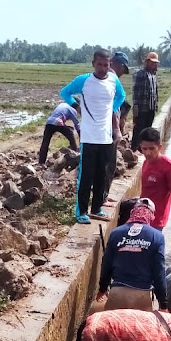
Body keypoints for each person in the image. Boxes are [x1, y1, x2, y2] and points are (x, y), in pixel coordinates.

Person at [60, 49, 125, 224]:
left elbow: (121, 96)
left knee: (101, 175)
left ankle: (97, 208)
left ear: (110, 65)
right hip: (89, 137)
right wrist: (77, 106)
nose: (103, 68)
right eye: (99, 65)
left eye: (106, 65)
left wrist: (111, 109)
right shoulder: (84, 81)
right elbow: (64, 92)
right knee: (86, 176)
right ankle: (81, 211)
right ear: (93, 64)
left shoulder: (113, 81)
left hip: (105, 137)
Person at [97, 198, 166, 311]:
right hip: (143, 295)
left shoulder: (116, 233)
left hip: (117, 292)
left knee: (111, 328)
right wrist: (163, 304)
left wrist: (102, 289)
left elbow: (106, 265)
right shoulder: (157, 236)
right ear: (151, 216)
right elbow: (159, 271)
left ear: (132, 212)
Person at [104, 51, 132, 198]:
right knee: (108, 164)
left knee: (103, 164)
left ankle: (99, 197)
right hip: (108, 130)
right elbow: (112, 109)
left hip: (100, 129)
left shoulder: (102, 77)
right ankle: (102, 198)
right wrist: (117, 129)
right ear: (118, 65)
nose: (122, 73)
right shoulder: (111, 79)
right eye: (123, 70)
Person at [131, 51, 159, 150]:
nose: (154, 65)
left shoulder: (153, 76)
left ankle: (143, 148)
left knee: (148, 129)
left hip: (151, 107)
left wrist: (156, 106)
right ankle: (134, 148)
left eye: (155, 63)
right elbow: (135, 93)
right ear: (147, 62)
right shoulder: (140, 74)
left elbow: (155, 92)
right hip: (142, 108)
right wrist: (135, 111)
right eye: (152, 63)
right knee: (139, 128)